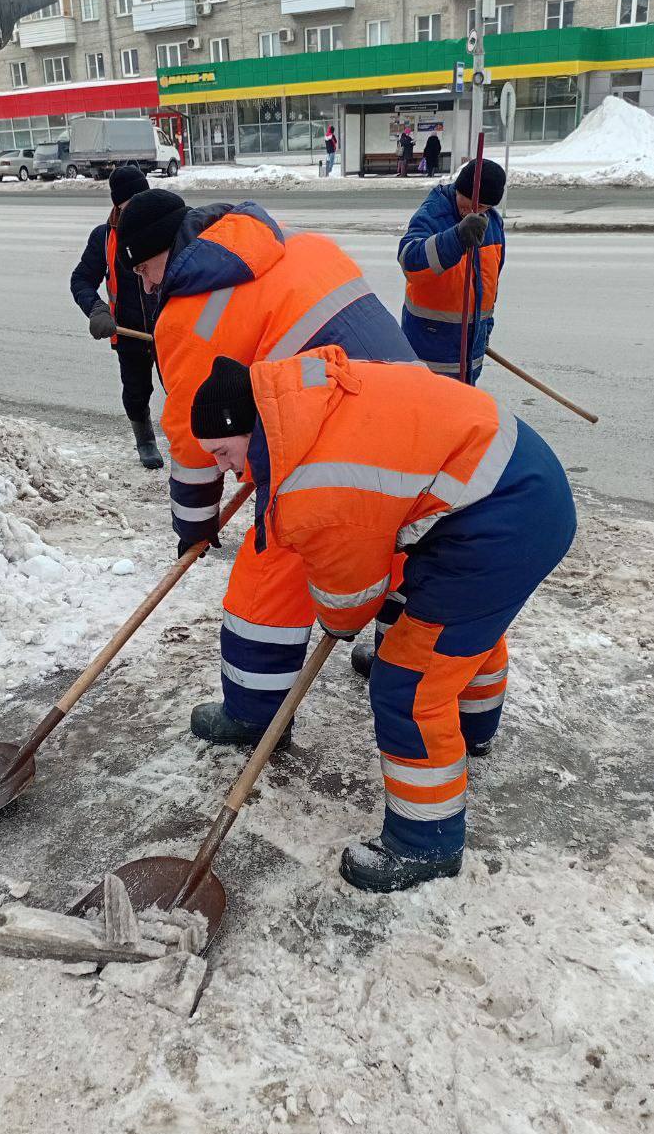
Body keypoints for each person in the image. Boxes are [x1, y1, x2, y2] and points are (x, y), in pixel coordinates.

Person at [189, 347, 576, 892]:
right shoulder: (308, 401)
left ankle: (426, 844)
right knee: (464, 633)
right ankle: (473, 731)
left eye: (222, 452)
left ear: (247, 429)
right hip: (518, 483)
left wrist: (337, 618)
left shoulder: (316, 484)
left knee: (409, 686)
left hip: (499, 524)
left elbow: (349, 602)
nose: (223, 469)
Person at [116, 187, 420, 746]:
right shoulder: (300, 245)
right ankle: (410, 667)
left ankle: (254, 714)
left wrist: (195, 526)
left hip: (335, 443)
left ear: (162, 252)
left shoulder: (187, 317)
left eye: (143, 269)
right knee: (406, 543)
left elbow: (194, 438)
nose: (148, 285)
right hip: (418, 420)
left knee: (269, 573)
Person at [70, 165, 163, 469]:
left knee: (181, 389)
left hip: (169, 330)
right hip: (129, 332)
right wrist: (96, 309)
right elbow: (81, 279)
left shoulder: (165, 227)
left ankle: (195, 443)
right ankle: (145, 439)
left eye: (141, 202)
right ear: (117, 206)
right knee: (137, 392)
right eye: (128, 206)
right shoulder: (104, 237)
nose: (137, 212)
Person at [398, 157, 506, 385]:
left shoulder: (493, 223)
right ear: (458, 189)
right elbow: (410, 261)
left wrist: (485, 331)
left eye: (483, 207)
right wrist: (456, 238)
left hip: (471, 352)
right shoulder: (433, 213)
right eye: (468, 201)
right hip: (430, 350)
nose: (473, 211)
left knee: (463, 406)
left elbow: (490, 286)